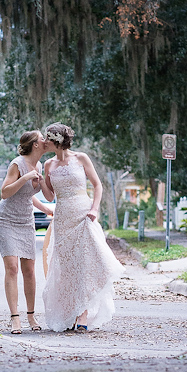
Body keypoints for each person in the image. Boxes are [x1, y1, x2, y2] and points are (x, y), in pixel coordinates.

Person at [40, 123, 125, 332]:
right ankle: (70, 313)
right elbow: (50, 196)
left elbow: (97, 185)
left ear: (57, 140)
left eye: (47, 138)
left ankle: (83, 314)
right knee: (67, 268)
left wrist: (95, 209)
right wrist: (41, 180)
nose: (44, 142)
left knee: (85, 263)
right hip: (62, 218)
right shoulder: (48, 164)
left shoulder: (81, 158)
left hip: (83, 213)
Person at [0, 130, 54, 334]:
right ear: (35, 145)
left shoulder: (38, 165)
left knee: (29, 270)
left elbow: (29, 195)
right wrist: (25, 177)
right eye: (42, 138)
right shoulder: (17, 164)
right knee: (12, 268)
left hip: (26, 221)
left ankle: (31, 315)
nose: (46, 141)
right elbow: (5, 192)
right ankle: (15, 318)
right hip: (6, 220)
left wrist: (45, 208)